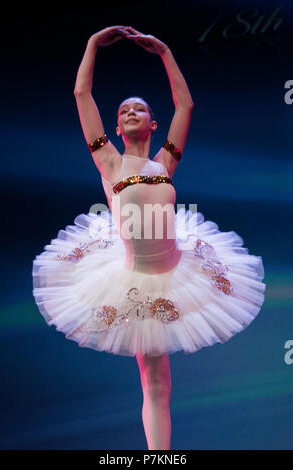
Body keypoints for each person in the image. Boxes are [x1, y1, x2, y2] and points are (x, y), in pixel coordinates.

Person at [32, 26, 266, 450]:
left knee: (162, 386)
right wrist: (90, 46)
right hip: (136, 283)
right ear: (117, 130)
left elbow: (186, 103)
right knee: (154, 383)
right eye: (123, 112)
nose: (129, 113)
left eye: (138, 109)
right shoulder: (110, 164)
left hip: (180, 268)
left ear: (153, 123)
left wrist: (164, 50)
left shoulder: (165, 164)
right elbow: (83, 96)